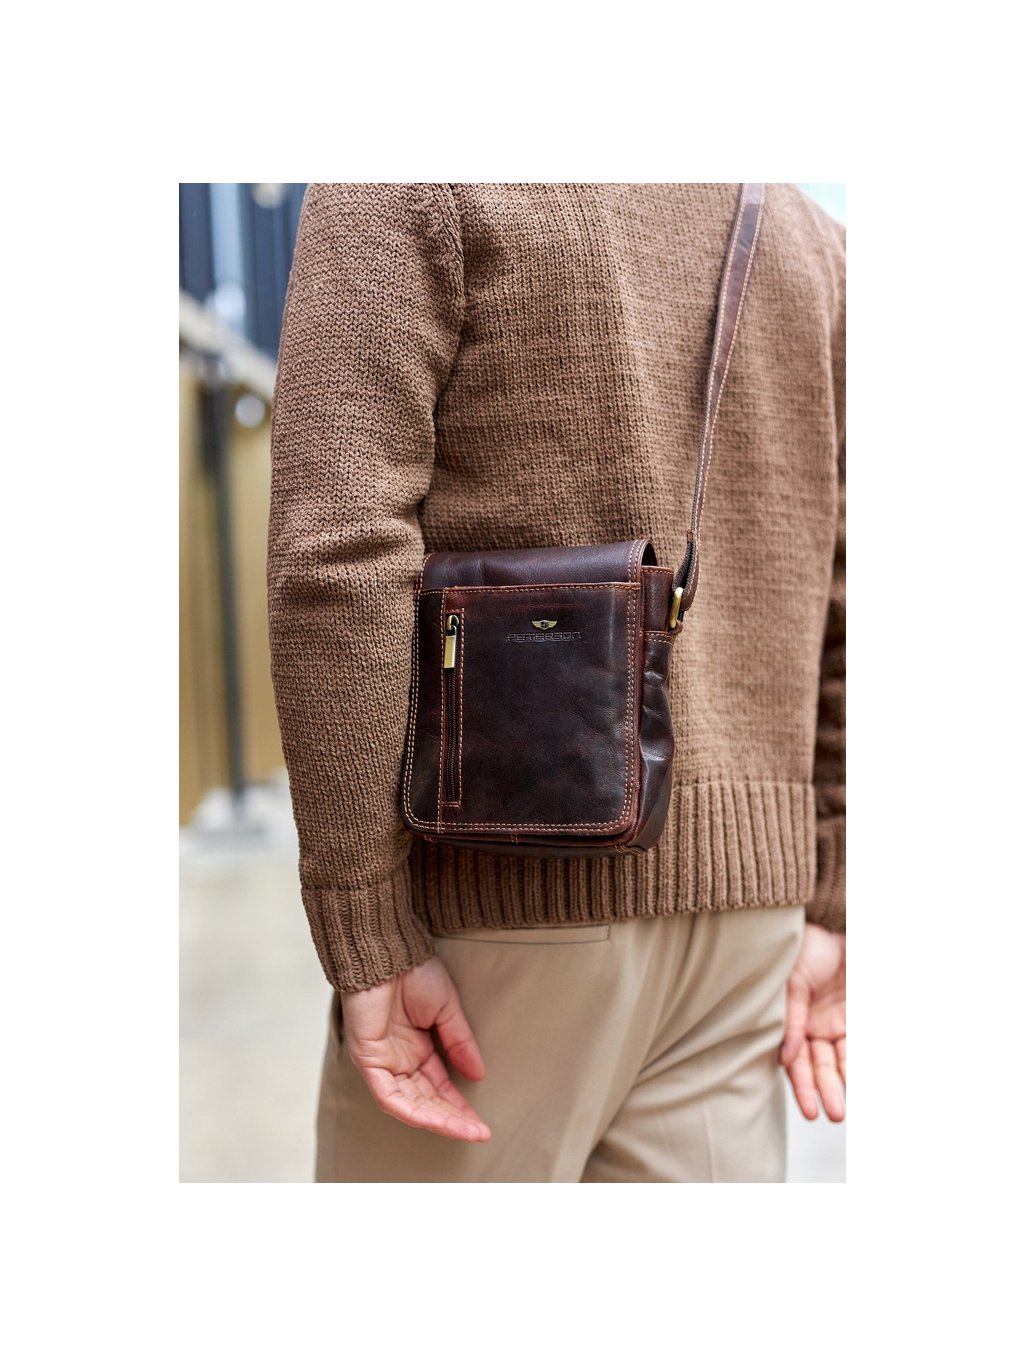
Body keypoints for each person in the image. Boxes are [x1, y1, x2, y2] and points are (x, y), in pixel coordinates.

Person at [267, 182, 845, 1182]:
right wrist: (836, 890)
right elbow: (851, 584)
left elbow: (337, 560)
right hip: (749, 927)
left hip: (500, 916)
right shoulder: (806, 232)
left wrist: (366, 921)